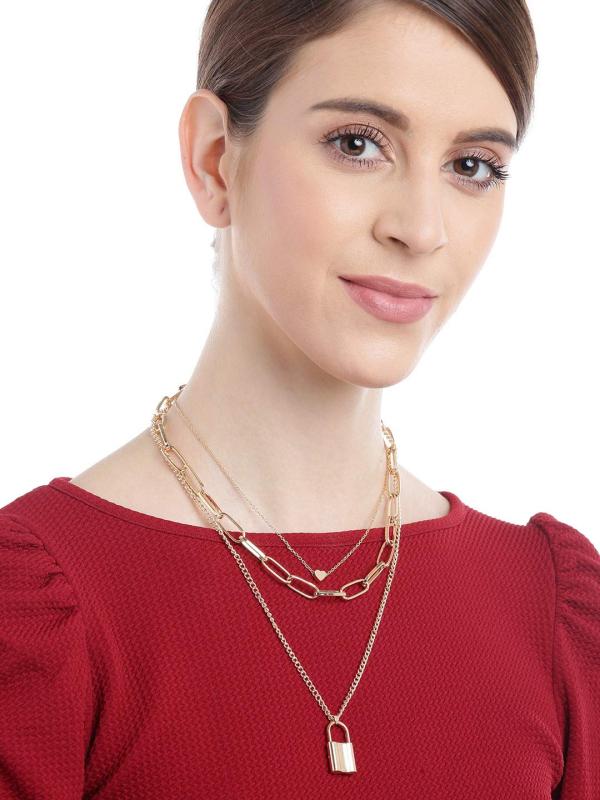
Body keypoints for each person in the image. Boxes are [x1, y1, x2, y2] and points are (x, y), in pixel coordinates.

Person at [1, 1, 599, 797]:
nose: (422, 229)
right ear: (215, 160)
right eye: (357, 144)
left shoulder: (549, 607)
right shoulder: (38, 613)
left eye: (472, 165)